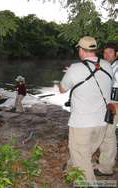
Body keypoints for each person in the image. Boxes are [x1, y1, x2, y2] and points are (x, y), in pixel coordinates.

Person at [59, 36, 113, 184]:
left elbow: (62, 89)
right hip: (102, 122)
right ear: (95, 49)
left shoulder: (75, 68)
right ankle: (72, 170)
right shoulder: (108, 66)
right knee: (85, 153)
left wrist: (68, 72)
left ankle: (88, 184)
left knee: (81, 157)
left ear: (81, 50)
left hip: (82, 124)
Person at [93, 42, 118, 177]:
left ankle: (106, 168)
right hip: (107, 102)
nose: (106, 55)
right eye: (105, 52)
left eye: (110, 52)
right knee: (105, 132)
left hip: (113, 103)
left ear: (116, 53)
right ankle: (104, 161)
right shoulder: (109, 66)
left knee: (108, 135)